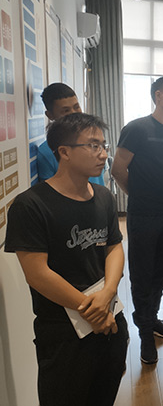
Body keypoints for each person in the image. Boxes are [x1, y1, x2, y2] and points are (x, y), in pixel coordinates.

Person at [5, 113, 128, 406]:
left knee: (105, 394)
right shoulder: (30, 205)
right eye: (93, 146)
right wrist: (91, 309)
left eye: (103, 145)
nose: (103, 154)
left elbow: (114, 247)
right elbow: (37, 273)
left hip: (110, 317)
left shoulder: (103, 197)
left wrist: (108, 294)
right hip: (63, 330)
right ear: (64, 152)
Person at [111, 76, 163, 364]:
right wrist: (138, 195)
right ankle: (144, 333)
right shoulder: (136, 128)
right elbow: (118, 169)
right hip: (143, 213)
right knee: (142, 274)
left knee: (162, 271)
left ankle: (150, 319)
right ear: (158, 95)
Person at [38, 82, 104, 185]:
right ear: (50, 115)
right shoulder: (46, 152)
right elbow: (49, 190)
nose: (74, 114)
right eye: (66, 111)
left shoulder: (94, 138)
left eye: (76, 107)